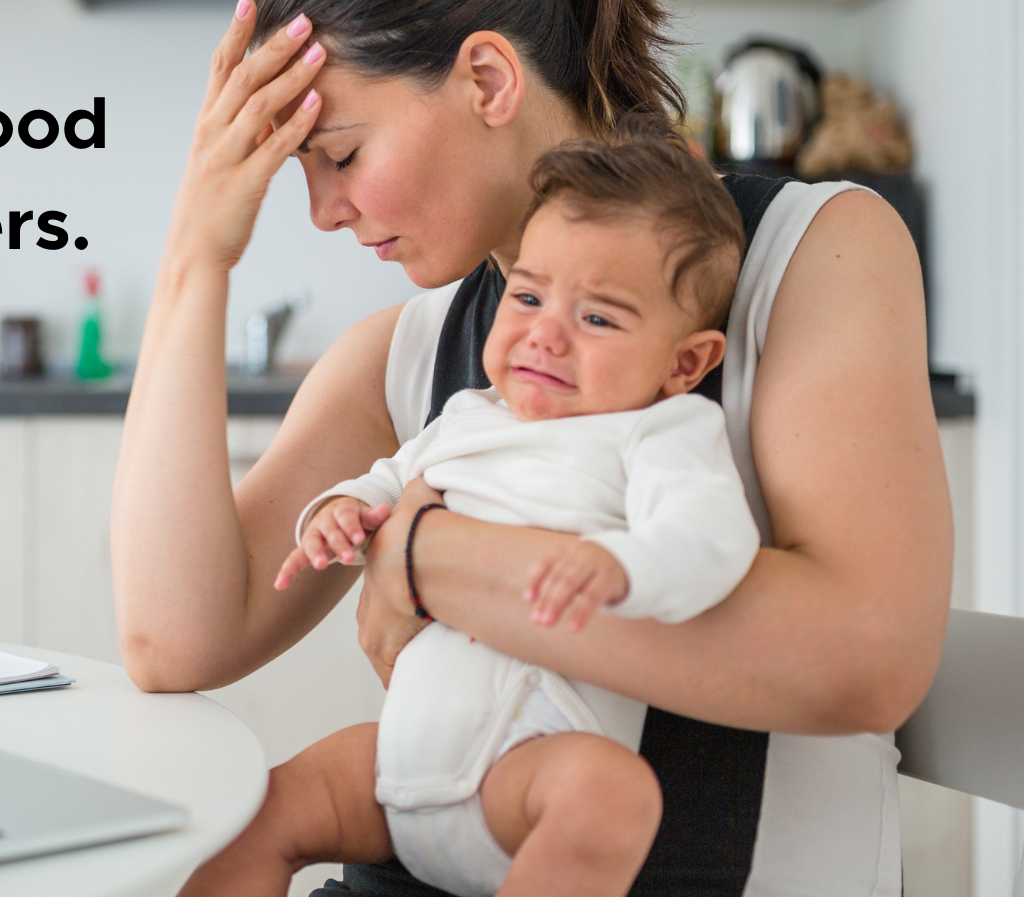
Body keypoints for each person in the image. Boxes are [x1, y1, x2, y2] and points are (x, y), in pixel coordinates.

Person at [110, 0, 951, 895]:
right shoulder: (402, 354)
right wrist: (195, 256)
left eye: (338, 153)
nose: (324, 211)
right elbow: (173, 637)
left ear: (488, 81)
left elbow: (866, 657)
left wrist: (421, 555)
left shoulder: (809, 254)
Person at [186, 127, 760, 897]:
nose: (543, 334)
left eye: (597, 319)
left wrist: (622, 566)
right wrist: (344, 509)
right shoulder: (469, 413)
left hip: (527, 770)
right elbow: (392, 478)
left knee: (613, 799)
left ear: (684, 364)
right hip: (402, 757)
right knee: (256, 811)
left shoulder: (660, 430)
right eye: (527, 296)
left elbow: (710, 537)